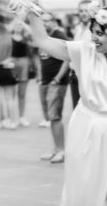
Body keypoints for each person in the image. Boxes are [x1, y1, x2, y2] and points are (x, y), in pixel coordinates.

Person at [28, 5, 107, 205]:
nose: (93, 38)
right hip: (86, 130)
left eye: (100, 33)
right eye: (92, 32)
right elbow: (42, 40)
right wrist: (31, 2)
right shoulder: (84, 52)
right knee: (85, 195)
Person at [38, 13, 70, 163]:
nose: (43, 24)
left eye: (46, 21)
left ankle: (62, 150)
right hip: (45, 81)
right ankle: (56, 149)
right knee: (50, 117)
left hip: (56, 82)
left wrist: (57, 78)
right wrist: (40, 78)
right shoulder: (42, 36)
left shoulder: (59, 34)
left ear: (53, 22)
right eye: (41, 21)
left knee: (55, 116)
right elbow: (40, 58)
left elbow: (67, 58)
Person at [69, 0, 94, 109]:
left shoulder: (95, 29)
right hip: (75, 74)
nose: (83, 13)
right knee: (76, 109)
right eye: (81, 11)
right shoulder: (78, 28)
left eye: (86, 10)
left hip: (88, 75)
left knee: (87, 110)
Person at [10, 20, 32, 127]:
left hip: (24, 63)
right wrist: (15, 20)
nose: (18, 26)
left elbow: (32, 32)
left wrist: (22, 22)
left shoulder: (26, 37)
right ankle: (11, 118)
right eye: (16, 25)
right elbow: (6, 30)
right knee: (11, 94)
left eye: (20, 25)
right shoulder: (9, 37)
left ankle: (21, 117)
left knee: (21, 94)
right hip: (12, 62)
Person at [0, 20, 18, 130]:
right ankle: (12, 121)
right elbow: (14, 56)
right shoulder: (9, 39)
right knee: (10, 98)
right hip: (7, 69)